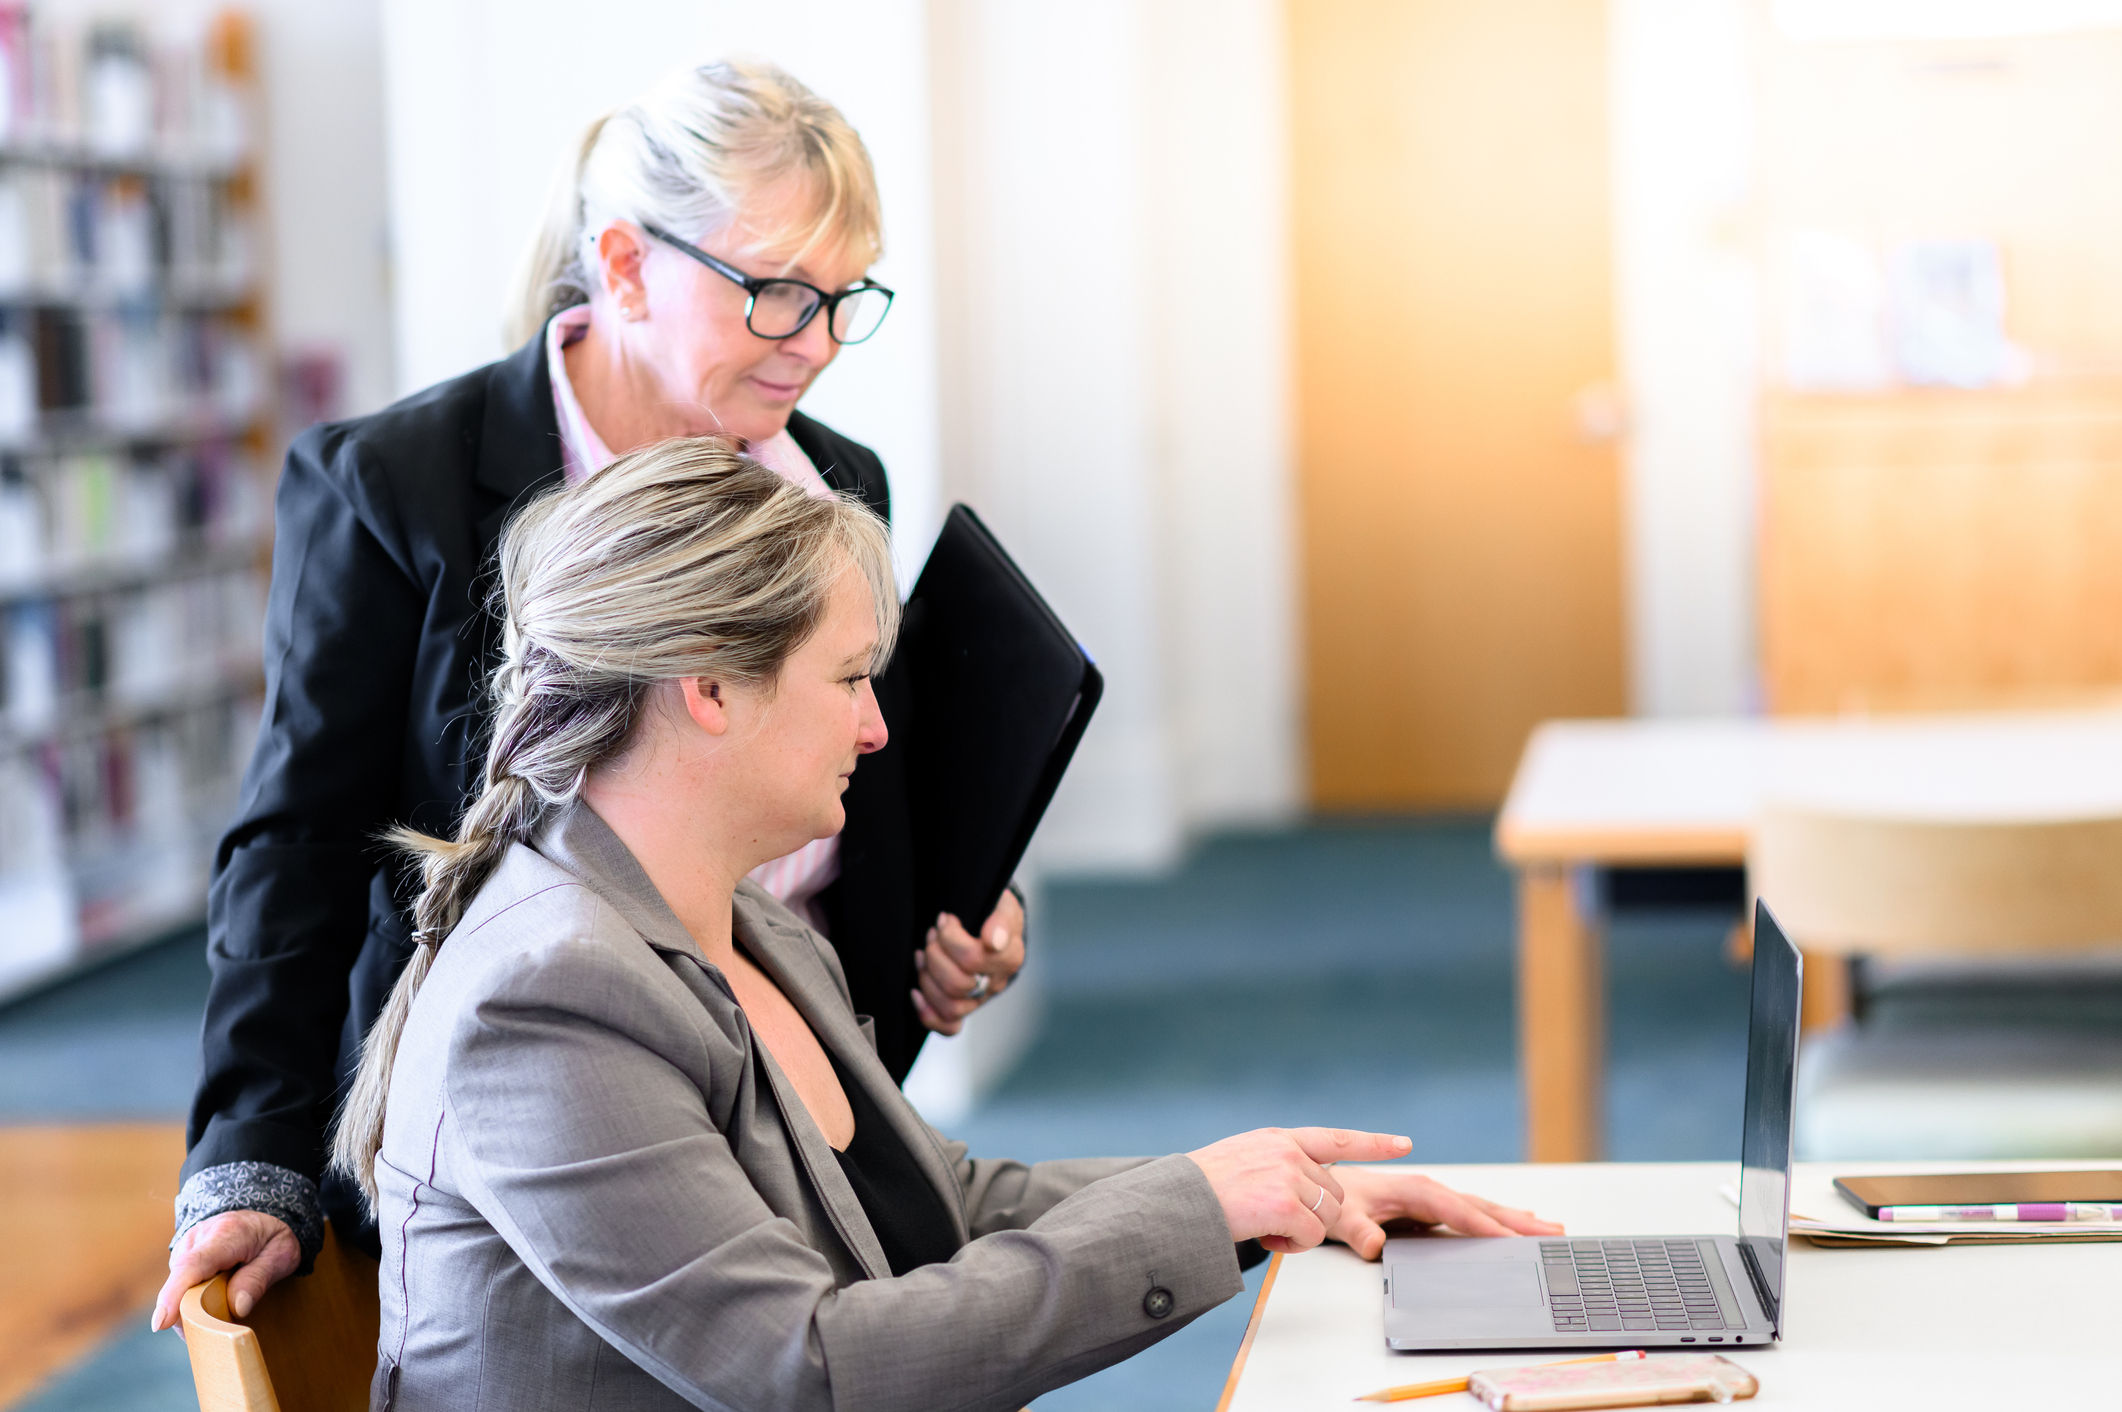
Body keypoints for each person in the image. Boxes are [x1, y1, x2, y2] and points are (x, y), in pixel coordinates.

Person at [331, 441, 1559, 1409]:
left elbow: (933, 1199)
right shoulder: (546, 1000)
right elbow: (807, 1371)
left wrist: (1257, 1185)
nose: (877, 729)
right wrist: (1197, 1204)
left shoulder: (737, 914)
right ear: (706, 685)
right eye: (850, 678)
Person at [152, 61, 1020, 1334]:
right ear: (622, 264)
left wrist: (945, 919)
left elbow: (840, 791)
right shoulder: (396, 487)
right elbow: (298, 841)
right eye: (778, 294)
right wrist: (251, 1154)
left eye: (845, 298)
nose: (819, 345)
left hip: (793, 1089)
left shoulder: (836, 479)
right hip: (540, 1112)